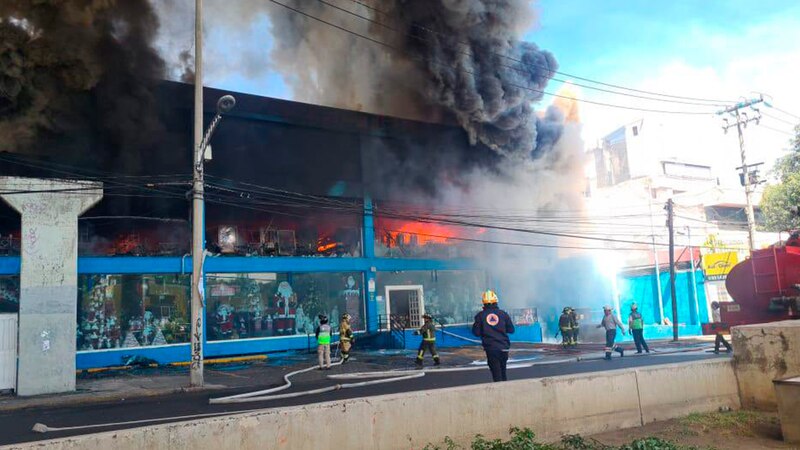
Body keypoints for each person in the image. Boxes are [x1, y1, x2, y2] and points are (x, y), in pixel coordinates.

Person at [472, 290, 515, 382]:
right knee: (503, 371)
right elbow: (511, 330)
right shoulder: (503, 314)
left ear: (484, 302)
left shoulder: (480, 316)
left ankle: (499, 393)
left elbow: (476, 332)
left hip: (491, 349)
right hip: (504, 347)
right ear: (496, 301)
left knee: (496, 374)